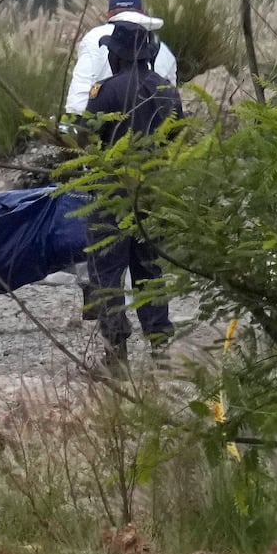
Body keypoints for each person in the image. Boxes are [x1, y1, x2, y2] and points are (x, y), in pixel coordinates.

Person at [83, 19, 182, 368]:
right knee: (149, 272)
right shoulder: (168, 91)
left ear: (117, 56)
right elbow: (177, 141)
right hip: (152, 194)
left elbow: (88, 139)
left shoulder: (104, 92)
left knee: (107, 275)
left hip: (110, 196)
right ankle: (161, 350)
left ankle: (117, 353)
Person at [64, 0, 177, 115]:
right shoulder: (163, 50)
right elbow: (172, 103)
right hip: (156, 129)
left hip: (105, 127)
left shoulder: (93, 38)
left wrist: (74, 124)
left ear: (109, 15)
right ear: (143, 13)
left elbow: (80, 90)